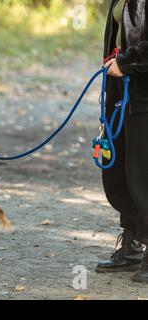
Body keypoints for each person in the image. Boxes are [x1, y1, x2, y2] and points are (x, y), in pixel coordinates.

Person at [96, 0, 148, 283]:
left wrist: (127, 62)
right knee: (120, 172)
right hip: (121, 89)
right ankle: (132, 245)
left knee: (144, 175)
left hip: (144, 93)